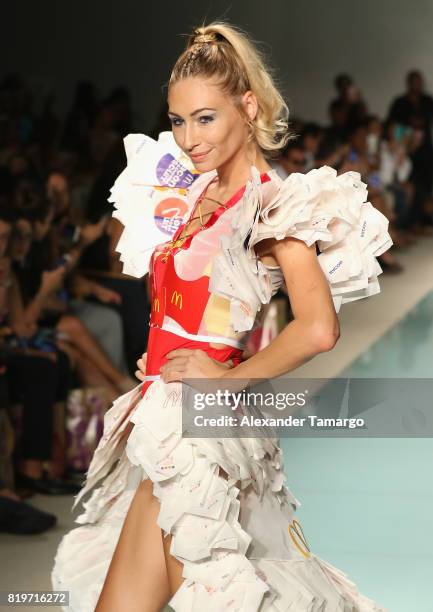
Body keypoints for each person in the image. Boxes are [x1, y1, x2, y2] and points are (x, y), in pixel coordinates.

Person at [52, 22, 391, 611]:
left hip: (200, 433)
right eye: (178, 120)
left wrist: (225, 379)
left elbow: (317, 327)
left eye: (205, 118)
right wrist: (163, 352)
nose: (187, 137)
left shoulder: (272, 202)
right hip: (168, 420)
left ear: (248, 106)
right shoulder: (195, 191)